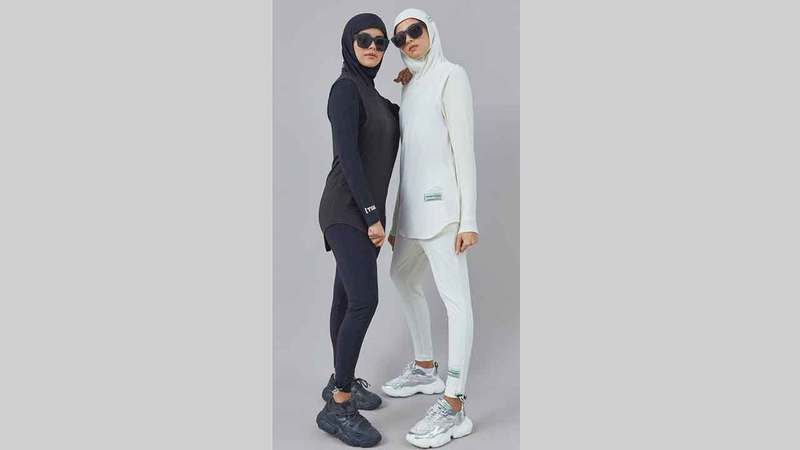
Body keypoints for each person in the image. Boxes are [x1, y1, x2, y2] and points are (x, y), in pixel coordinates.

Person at [380, 8, 479, 448]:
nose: (408, 41)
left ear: (430, 31)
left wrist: (469, 218)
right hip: (413, 215)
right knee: (401, 277)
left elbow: (463, 150)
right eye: (399, 39)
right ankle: (425, 368)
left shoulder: (452, 76)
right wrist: (397, 217)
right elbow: (411, 160)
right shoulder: (411, 83)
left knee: (456, 302)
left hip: (444, 214)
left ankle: (455, 403)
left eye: (414, 32)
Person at [315, 12, 400, 448]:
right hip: (345, 209)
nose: (372, 47)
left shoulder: (375, 97)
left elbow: (392, 130)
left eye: (381, 42)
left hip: (363, 213)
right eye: (363, 39)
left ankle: (339, 379)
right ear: (349, 43)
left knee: (346, 298)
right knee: (365, 300)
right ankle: (339, 404)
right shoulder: (345, 89)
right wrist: (371, 215)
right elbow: (347, 154)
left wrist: (412, 84)